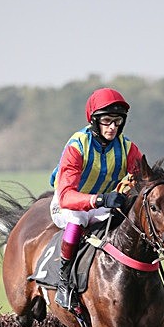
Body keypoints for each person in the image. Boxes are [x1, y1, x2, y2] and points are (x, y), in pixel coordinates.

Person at [49, 87, 143, 309]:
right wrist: (100, 200)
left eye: (118, 121)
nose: (113, 127)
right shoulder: (77, 146)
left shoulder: (127, 147)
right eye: (107, 121)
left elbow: (142, 176)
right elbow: (66, 196)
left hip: (104, 202)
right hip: (70, 204)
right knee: (78, 220)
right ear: (94, 121)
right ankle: (64, 282)